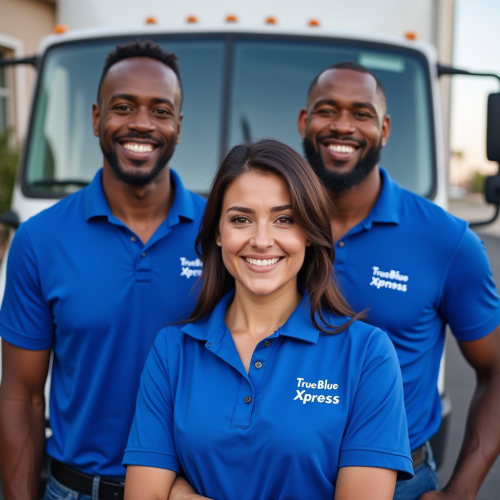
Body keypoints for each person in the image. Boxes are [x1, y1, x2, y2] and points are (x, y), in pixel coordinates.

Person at [122, 139, 413, 500]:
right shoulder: (171, 351)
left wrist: (179, 495)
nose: (261, 240)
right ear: (218, 232)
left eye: (284, 219)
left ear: (308, 233)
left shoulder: (368, 354)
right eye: (241, 219)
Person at [0, 40, 206, 500]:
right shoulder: (39, 240)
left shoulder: (221, 236)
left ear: (177, 126)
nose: (141, 123)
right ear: (96, 119)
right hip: (76, 489)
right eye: (124, 106)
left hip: (191, 491)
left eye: (160, 110)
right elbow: (21, 395)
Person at [297, 61, 500, 500]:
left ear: (384, 129)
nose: (343, 126)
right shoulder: (268, 228)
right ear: (304, 121)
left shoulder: (446, 241)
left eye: (361, 113)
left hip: (399, 486)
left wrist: (462, 490)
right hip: (275, 477)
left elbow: (496, 367)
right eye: (327, 110)